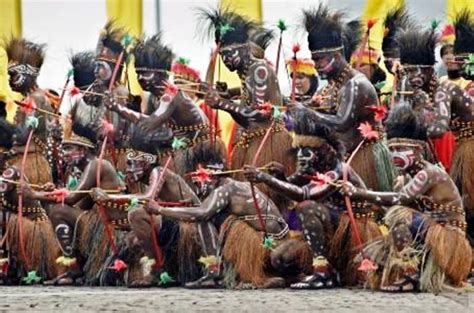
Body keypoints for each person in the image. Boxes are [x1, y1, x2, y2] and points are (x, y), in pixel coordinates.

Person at [244, 106, 380, 289]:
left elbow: (303, 194)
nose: (300, 156)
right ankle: (317, 272)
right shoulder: (311, 170)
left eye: (306, 150)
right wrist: (280, 177)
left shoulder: (338, 170)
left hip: (352, 233)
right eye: (299, 150)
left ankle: (322, 273)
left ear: (322, 151)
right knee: (280, 258)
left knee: (306, 207)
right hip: (330, 228)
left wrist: (264, 178)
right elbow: (291, 187)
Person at [341, 104, 471, 292]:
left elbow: (398, 200)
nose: (394, 155)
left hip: (449, 243)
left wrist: (359, 193)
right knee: (387, 240)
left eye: (400, 148)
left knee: (401, 216)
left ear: (418, 149)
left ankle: (410, 274)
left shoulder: (428, 173)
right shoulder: (411, 177)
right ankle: (408, 271)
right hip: (431, 237)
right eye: (391, 149)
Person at [148, 148, 312, 289]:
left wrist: (160, 209)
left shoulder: (225, 189)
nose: (198, 185)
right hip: (273, 243)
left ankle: (213, 273)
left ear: (213, 176)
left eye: (200, 179)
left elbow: (202, 213)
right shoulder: (230, 185)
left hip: (269, 245)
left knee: (203, 220)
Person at [200, 7, 296, 210]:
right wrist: (230, 93)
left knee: (262, 204)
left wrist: (221, 103)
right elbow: (250, 97)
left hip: (267, 142)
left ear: (245, 48)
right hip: (252, 141)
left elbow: (259, 113)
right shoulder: (246, 71)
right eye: (222, 56)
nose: (226, 61)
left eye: (229, 54)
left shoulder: (258, 69)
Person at [301, 5, 396, 192]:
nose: (316, 65)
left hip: (365, 158)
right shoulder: (335, 85)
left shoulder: (355, 84)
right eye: (314, 59)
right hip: (346, 159)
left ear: (336, 55)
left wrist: (308, 112)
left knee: (368, 215)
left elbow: (342, 122)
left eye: (320, 59)